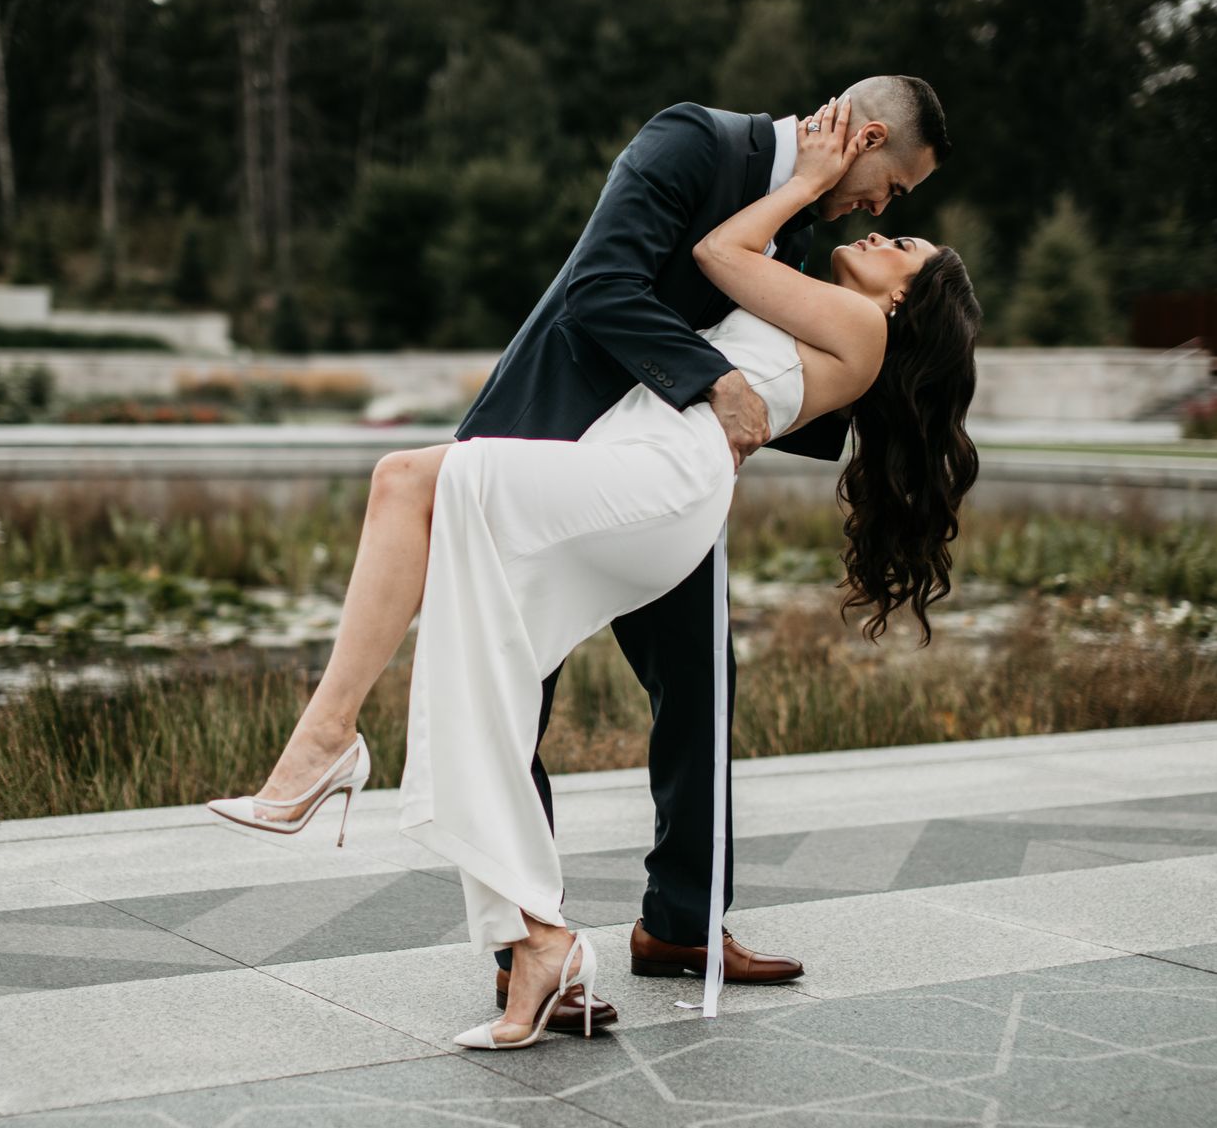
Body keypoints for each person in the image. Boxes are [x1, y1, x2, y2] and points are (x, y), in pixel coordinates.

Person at [208, 90, 982, 1048]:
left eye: (897, 219)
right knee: (499, 677)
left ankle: (678, 924)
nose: (879, 212)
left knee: (697, 682)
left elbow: (782, 357)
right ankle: (529, 952)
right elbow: (601, 290)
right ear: (864, 140)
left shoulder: (802, 249)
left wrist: (745, 400)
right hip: (563, 431)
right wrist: (720, 387)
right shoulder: (696, 145)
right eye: (889, 188)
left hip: (651, 477)